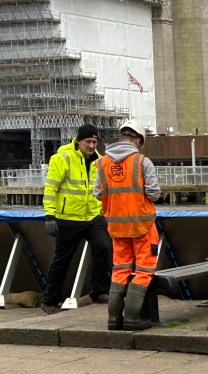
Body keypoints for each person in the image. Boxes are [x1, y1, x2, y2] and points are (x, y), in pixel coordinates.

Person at [94, 119, 161, 331]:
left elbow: (98, 194)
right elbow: (154, 193)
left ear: (122, 136)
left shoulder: (102, 163)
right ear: (139, 141)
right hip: (142, 226)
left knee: (120, 270)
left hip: (116, 227)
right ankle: (132, 317)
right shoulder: (142, 162)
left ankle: (113, 318)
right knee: (143, 271)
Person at [41, 123, 112, 314]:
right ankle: (49, 301)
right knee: (62, 260)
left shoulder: (101, 161)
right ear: (78, 141)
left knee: (103, 248)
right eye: (88, 141)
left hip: (92, 216)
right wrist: (50, 215)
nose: (91, 145)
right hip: (68, 217)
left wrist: (107, 213)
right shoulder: (62, 158)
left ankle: (99, 291)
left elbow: (104, 191)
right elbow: (50, 189)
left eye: (94, 142)